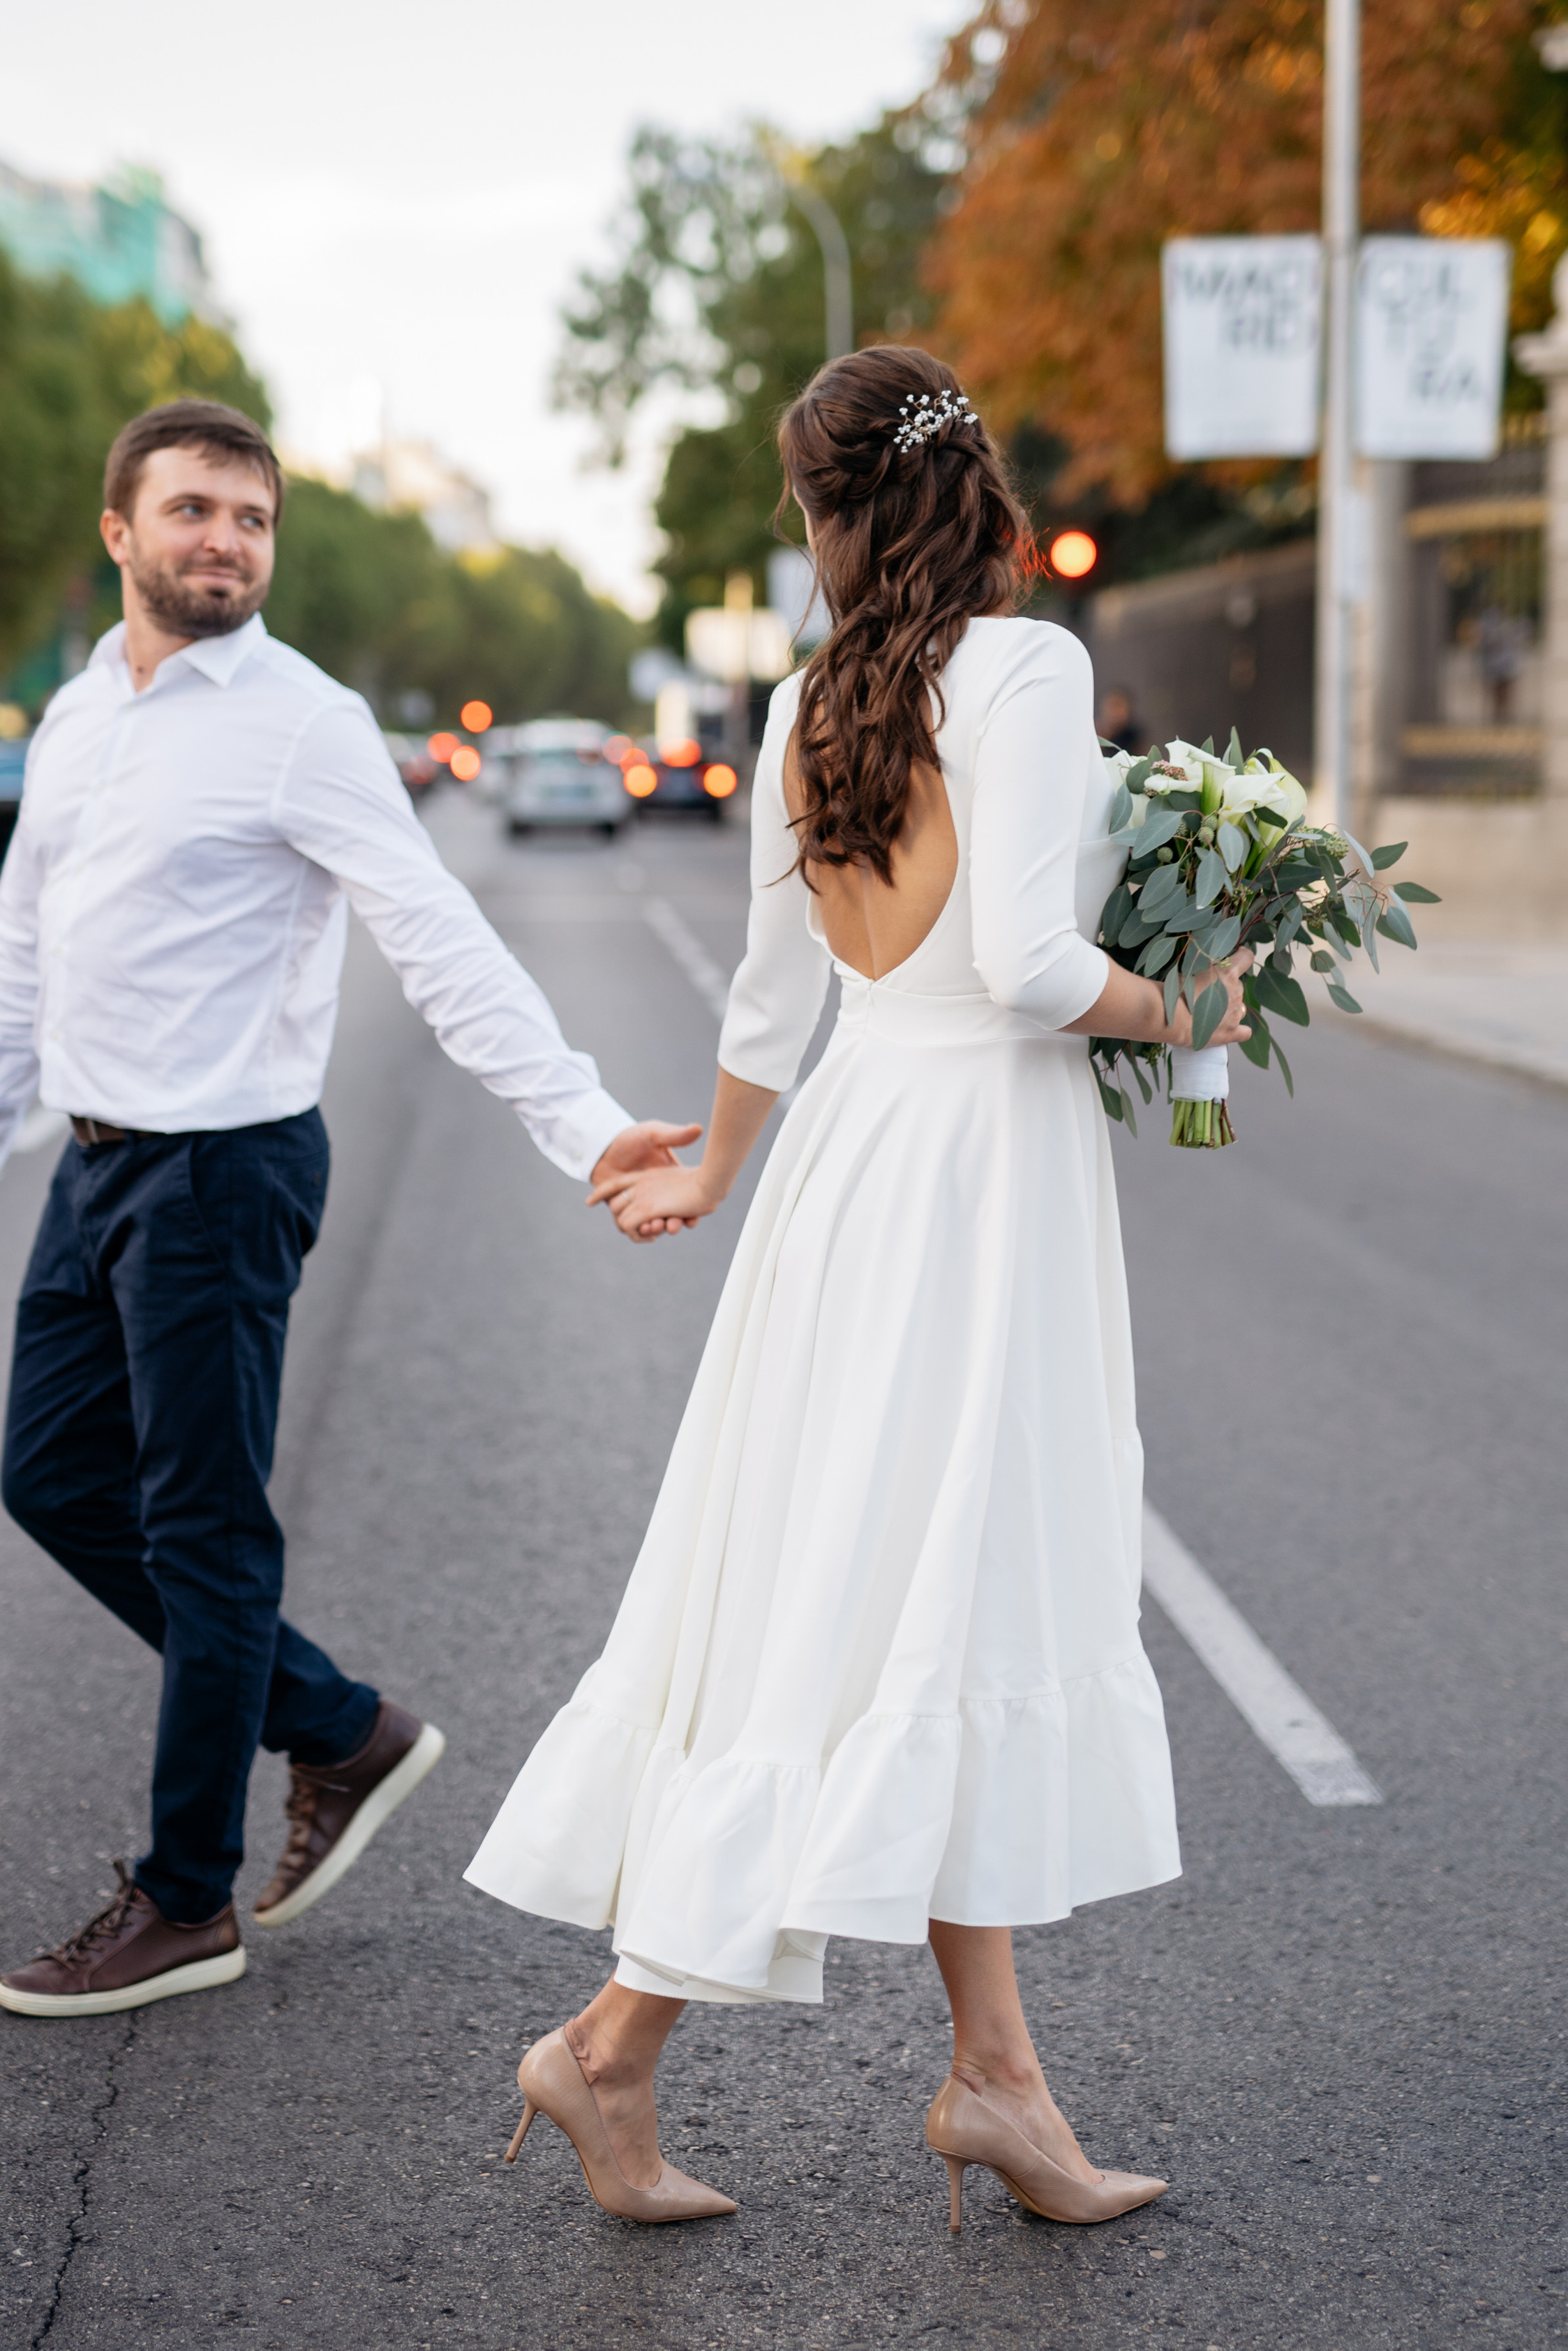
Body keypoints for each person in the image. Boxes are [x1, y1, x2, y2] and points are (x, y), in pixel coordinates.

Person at [466, 346, 1251, 2232]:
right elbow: (1039, 963)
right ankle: (613, 2046)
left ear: (827, 517)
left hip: (848, 1164)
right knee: (893, 1602)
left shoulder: (814, 697)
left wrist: (721, 1167)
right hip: (983, 1169)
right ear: (978, 487)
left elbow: (768, 989)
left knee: (911, 1604)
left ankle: (994, 2085)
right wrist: (1191, 1004)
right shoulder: (1032, 668)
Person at [0, 398, 692, 2019]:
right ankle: (337, 1723)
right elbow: (26, 952)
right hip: (96, 1161)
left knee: (203, 1537)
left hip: (222, 1170)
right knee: (52, 1482)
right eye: (193, 510)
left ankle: (185, 1897)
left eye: (251, 519)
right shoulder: (71, 721)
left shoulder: (301, 719)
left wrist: (588, 1125)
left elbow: (433, 929)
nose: (226, 541)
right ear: (119, 533)